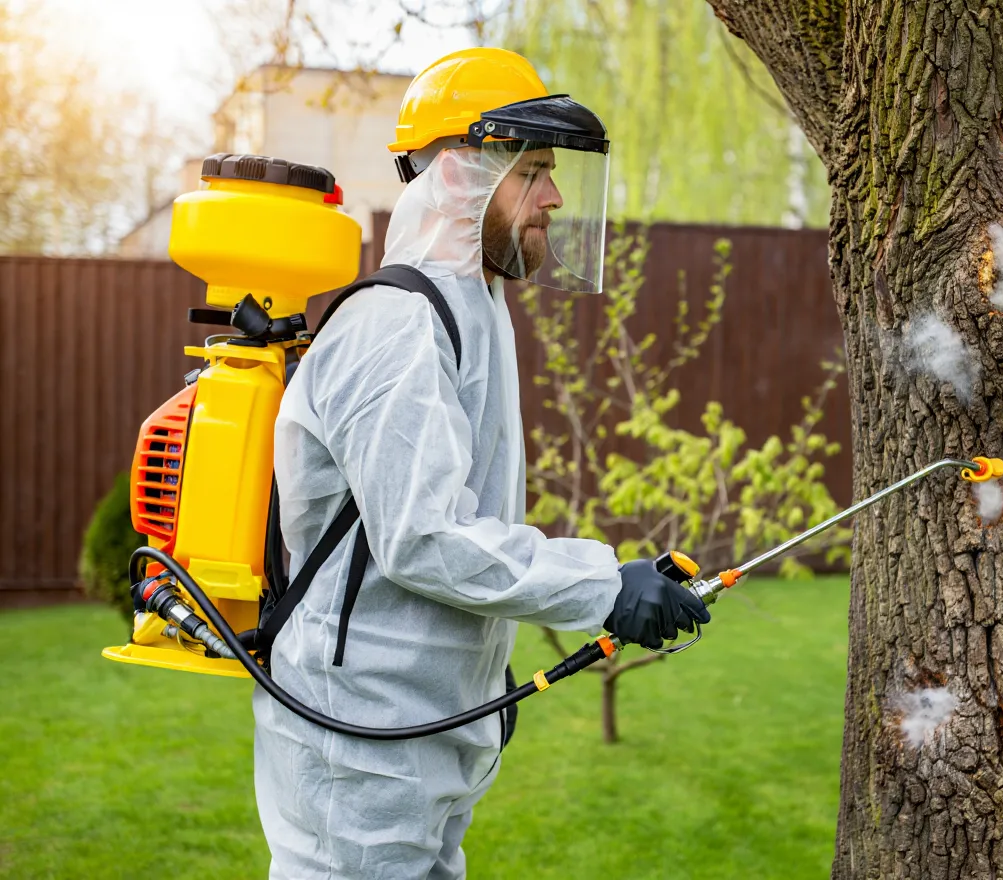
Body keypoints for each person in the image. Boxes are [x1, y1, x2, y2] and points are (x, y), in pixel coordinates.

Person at [252, 47, 709, 879]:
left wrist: (614, 579)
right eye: (534, 170)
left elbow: (471, 531)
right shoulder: (395, 324)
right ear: (465, 174)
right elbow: (424, 538)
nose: (557, 197)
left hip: (421, 735)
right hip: (360, 749)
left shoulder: (474, 311)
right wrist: (603, 587)